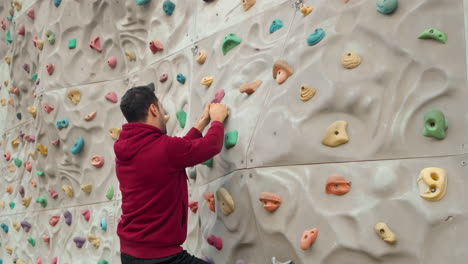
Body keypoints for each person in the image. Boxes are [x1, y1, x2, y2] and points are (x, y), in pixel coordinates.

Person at [114, 83, 228, 264]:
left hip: (131, 254)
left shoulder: (126, 151)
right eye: (161, 108)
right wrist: (217, 120)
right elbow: (211, 145)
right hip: (159, 258)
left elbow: (177, 153)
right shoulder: (164, 148)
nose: (163, 114)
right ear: (153, 109)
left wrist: (202, 123)